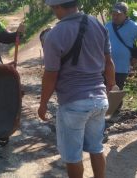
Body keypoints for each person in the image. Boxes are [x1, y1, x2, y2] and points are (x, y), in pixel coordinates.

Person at [38, 1, 116, 178]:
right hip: (99, 99)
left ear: (58, 7)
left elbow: (51, 75)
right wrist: (109, 86)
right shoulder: (97, 24)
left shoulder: (55, 35)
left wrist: (43, 104)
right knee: (96, 148)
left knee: (73, 156)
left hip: (74, 103)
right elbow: (108, 62)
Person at [105, 2, 137, 91]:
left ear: (125, 15)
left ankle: (117, 105)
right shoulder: (107, 25)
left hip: (121, 67)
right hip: (106, 66)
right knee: (105, 92)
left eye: (118, 15)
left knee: (117, 92)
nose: (115, 17)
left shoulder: (133, 26)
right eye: (113, 14)